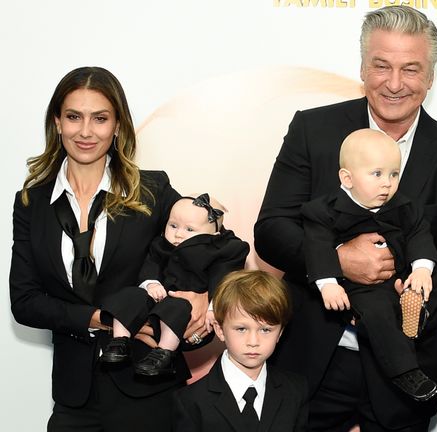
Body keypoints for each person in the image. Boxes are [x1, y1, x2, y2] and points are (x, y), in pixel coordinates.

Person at [254, 5, 437, 431]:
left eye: (411, 69)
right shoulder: (312, 131)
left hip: (406, 374)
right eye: (381, 66)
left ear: (431, 77)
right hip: (311, 363)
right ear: (363, 67)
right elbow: (271, 230)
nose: (394, 84)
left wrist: (412, 313)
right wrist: (337, 259)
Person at [9, 66, 208, 431]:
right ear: (57, 122)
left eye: (100, 118)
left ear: (117, 125)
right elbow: (24, 301)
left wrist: (202, 298)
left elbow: (208, 248)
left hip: (150, 389)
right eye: (74, 117)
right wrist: (107, 318)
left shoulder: (152, 191)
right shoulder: (31, 203)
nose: (86, 132)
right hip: (74, 396)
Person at [302, 128, 437, 401]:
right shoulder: (323, 210)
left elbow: (418, 234)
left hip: (399, 278)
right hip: (360, 286)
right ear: (347, 178)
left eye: (394, 174)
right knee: (376, 310)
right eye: (377, 174)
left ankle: (415, 311)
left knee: (434, 279)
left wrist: (422, 268)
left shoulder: (405, 205)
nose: (387, 184)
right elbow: (316, 247)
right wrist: (328, 283)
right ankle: (405, 372)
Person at [99, 193, 249, 376]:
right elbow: (151, 264)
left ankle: (164, 353)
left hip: (187, 314)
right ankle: (120, 342)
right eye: (173, 225)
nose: (178, 234)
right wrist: (150, 283)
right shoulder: (161, 245)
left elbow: (224, 280)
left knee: (176, 308)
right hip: (156, 301)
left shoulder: (221, 252)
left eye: (190, 230)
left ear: (214, 235)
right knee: (130, 295)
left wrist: (213, 309)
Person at [173, 270, 309, 432]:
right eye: (241, 329)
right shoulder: (190, 400)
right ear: (220, 330)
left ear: (280, 333)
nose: (253, 342)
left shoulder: (296, 390)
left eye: (265, 330)